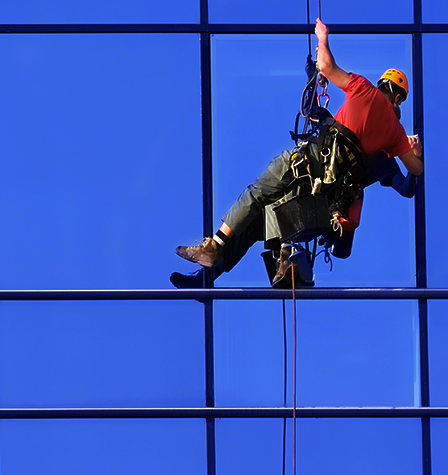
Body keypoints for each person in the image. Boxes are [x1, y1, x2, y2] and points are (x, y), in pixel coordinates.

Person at [172, 18, 424, 288]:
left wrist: (322, 39)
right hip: (318, 200)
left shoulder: (365, 91)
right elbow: (410, 183)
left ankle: (217, 246)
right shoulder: (392, 140)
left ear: (381, 85)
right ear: (398, 99)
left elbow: (322, 93)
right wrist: (416, 153)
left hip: (305, 175)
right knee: (255, 223)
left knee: (255, 195)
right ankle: (207, 278)